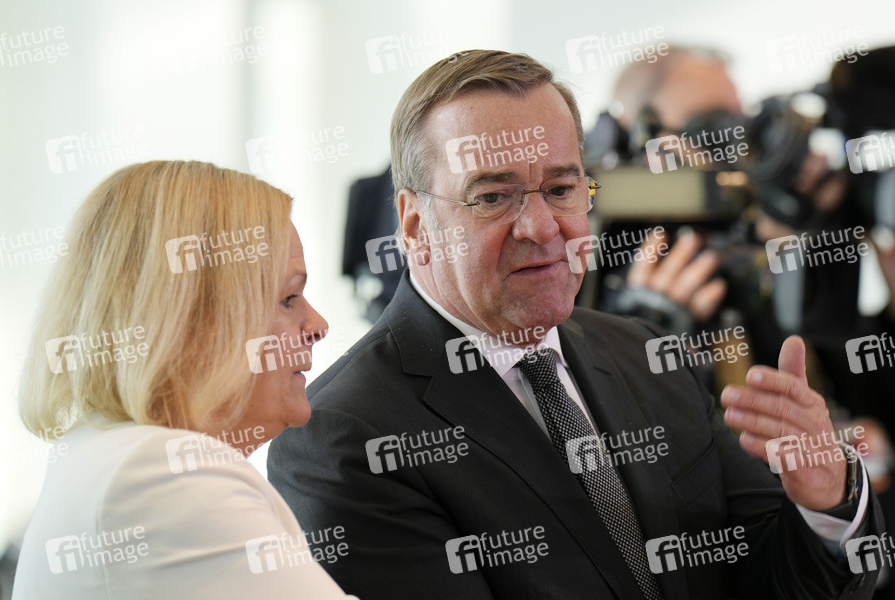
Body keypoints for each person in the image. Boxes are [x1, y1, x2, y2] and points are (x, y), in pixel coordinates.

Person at [268, 50, 883, 599]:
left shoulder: (646, 353)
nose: (542, 227)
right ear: (413, 225)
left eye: (562, 188)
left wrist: (828, 505)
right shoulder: (343, 438)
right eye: (492, 197)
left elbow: (764, 575)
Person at [13, 161, 354, 599]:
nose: (318, 325)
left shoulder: (107, 451)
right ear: (191, 320)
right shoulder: (166, 475)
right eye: (288, 298)